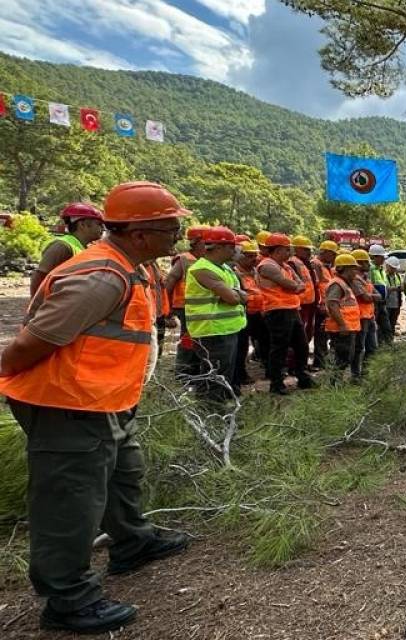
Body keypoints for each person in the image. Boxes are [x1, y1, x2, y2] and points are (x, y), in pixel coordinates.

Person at [0, 181, 193, 634]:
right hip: (67, 404)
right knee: (71, 499)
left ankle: (132, 542)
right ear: (140, 233)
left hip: (102, 399)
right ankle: (67, 597)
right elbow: (35, 340)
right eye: (170, 229)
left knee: (124, 470)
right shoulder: (101, 276)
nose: (177, 238)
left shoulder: (130, 266)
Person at [184, 226, 247, 403]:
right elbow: (233, 298)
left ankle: (220, 415)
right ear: (219, 247)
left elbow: (242, 295)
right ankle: (211, 417)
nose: (235, 250)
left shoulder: (224, 268)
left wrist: (237, 295)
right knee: (214, 379)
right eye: (231, 246)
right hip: (212, 332)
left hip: (226, 330)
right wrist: (237, 295)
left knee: (223, 377)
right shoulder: (202, 269)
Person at [257, 234, 313, 395]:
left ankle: (302, 376)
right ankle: (276, 383)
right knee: (279, 348)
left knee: (302, 345)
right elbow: (290, 285)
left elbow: (299, 284)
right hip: (276, 311)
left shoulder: (286, 266)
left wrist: (294, 286)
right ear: (278, 249)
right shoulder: (267, 265)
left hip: (292, 309)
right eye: (287, 249)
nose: (289, 252)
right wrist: (294, 286)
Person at [30, 202, 105, 296]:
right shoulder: (62, 246)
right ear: (82, 225)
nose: (102, 228)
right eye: (98, 224)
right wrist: (36, 308)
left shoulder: (84, 247)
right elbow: (40, 277)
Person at [166, 226, 207, 377]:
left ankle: (193, 369)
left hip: (199, 307)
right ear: (196, 242)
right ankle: (183, 370)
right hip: (184, 306)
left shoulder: (204, 260)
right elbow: (170, 281)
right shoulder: (184, 259)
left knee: (197, 338)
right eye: (205, 241)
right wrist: (167, 306)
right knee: (188, 338)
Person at [324, 254, 365, 382]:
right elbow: (332, 304)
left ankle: (336, 382)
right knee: (341, 357)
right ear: (345, 269)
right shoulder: (337, 284)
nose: (356, 272)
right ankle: (334, 384)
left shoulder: (345, 283)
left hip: (348, 327)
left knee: (346, 356)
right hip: (340, 329)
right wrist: (342, 324)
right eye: (353, 269)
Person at [233, 241, 264, 387]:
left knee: (266, 341)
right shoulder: (234, 272)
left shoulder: (255, 271)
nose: (254, 259)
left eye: (255, 256)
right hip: (244, 315)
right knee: (241, 346)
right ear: (240, 257)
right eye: (250, 256)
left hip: (259, 313)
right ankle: (240, 374)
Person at [288, 236, 319, 360]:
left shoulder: (307, 263)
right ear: (297, 249)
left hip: (310, 304)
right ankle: (293, 363)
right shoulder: (293, 262)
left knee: (307, 335)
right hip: (300, 305)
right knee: (298, 337)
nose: (309, 252)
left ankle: (302, 362)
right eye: (305, 249)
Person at [367, 245, 393, 344]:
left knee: (386, 326)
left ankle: (387, 345)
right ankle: (377, 345)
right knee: (375, 326)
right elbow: (369, 286)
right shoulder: (371, 269)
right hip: (375, 303)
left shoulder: (381, 269)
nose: (383, 260)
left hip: (382, 302)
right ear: (375, 256)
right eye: (382, 258)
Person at [383, 257, 403, 343]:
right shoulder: (383, 275)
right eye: (392, 267)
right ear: (387, 266)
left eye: (395, 268)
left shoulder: (398, 276)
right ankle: (384, 341)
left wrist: (401, 288)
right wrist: (395, 288)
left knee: (393, 323)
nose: (394, 269)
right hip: (386, 304)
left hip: (396, 304)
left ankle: (390, 341)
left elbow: (401, 287)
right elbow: (385, 289)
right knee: (385, 325)